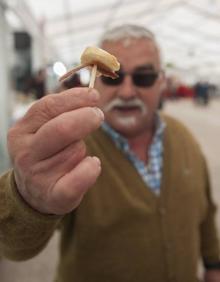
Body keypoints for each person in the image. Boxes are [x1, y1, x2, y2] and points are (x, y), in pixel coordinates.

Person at [0, 24, 219, 282]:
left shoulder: (183, 136)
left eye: (144, 77)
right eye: (111, 76)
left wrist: (213, 262)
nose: (127, 91)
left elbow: (205, 212)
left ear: (161, 83)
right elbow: (13, 245)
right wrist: (25, 196)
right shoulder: (68, 147)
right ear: (95, 80)